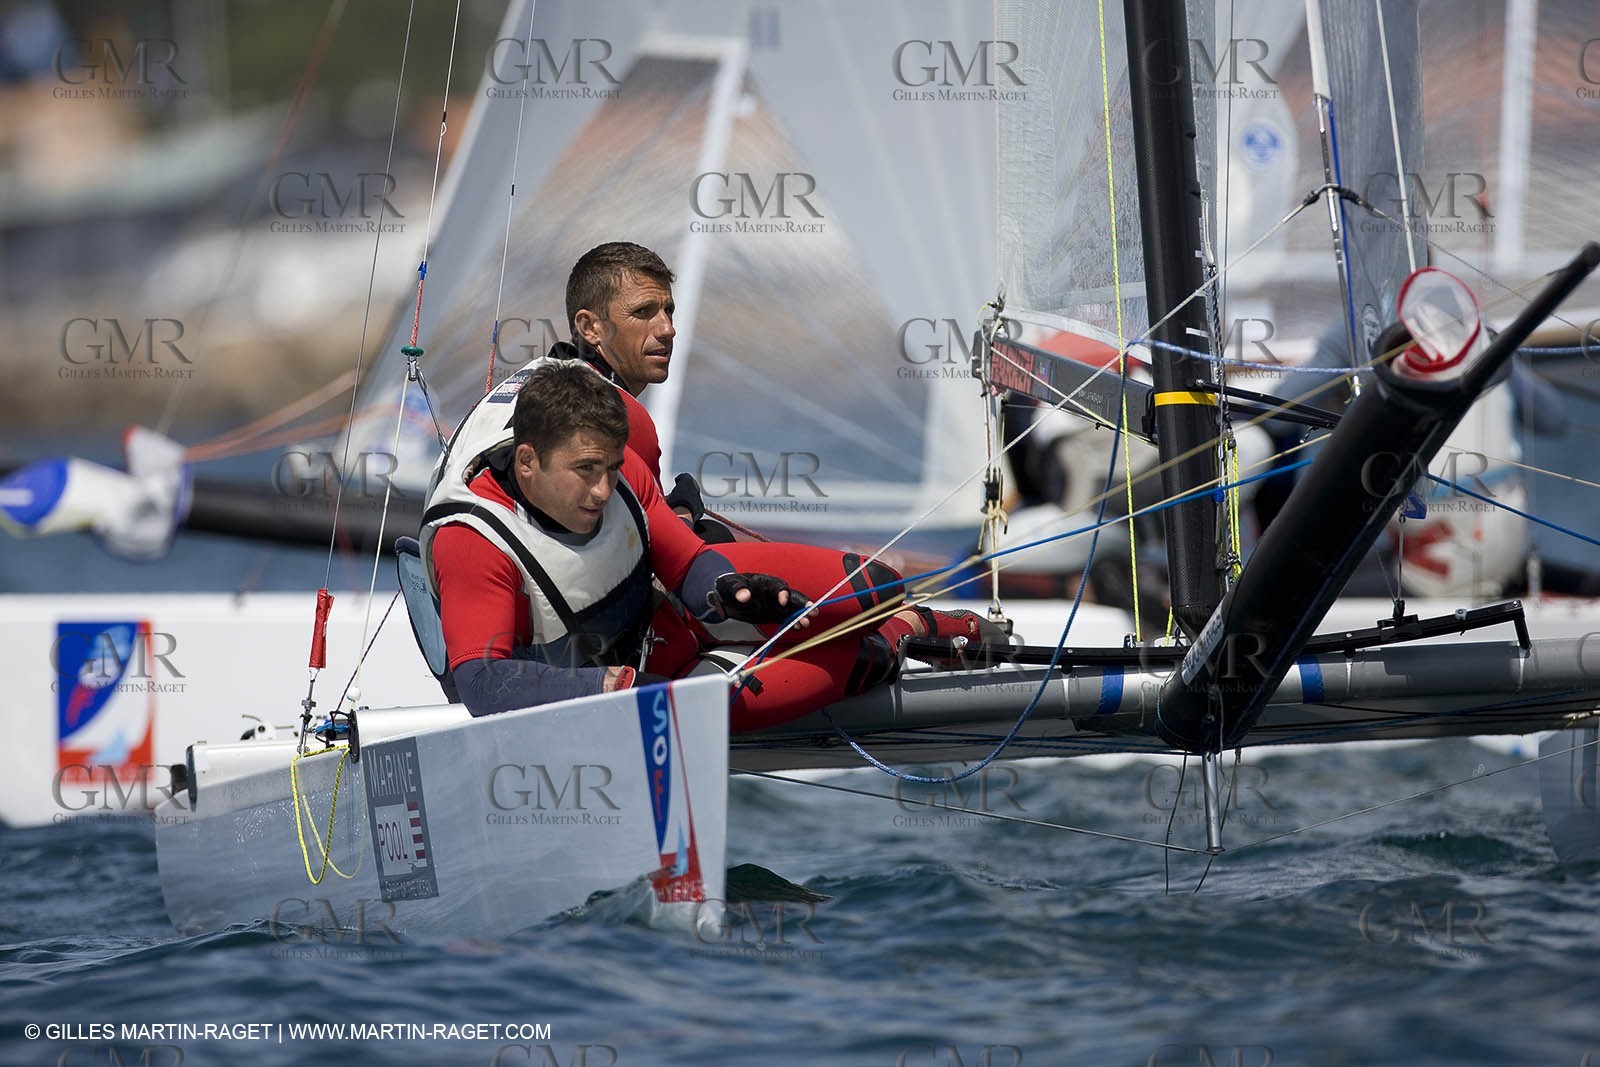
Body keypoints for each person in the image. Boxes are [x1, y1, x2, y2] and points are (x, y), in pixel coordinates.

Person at [421, 359, 1000, 731]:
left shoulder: (621, 478)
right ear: (528, 460)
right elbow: (483, 683)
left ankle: (916, 620)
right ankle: (904, 636)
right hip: (629, 686)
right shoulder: (472, 543)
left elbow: (691, 564)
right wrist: (618, 687)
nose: (604, 489)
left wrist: (734, 591)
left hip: (657, 625)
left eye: (612, 468)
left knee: (875, 587)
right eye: (585, 471)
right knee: (863, 657)